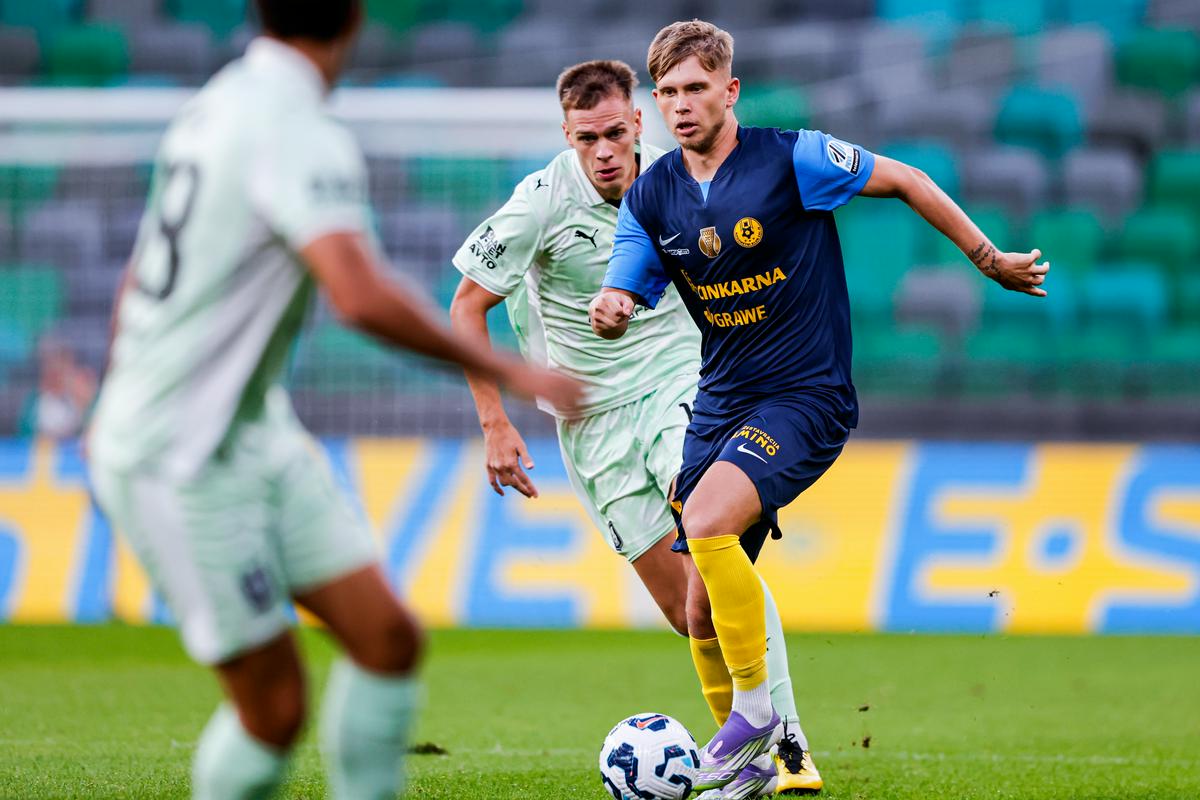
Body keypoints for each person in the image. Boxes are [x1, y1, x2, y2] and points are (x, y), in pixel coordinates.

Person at [86, 2, 581, 798]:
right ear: (352, 19)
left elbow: (138, 277)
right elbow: (358, 296)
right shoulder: (296, 129)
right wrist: (521, 376)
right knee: (275, 708)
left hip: (255, 430)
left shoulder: (215, 104)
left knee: (386, 639)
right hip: (176, 453)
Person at [591, 19, 1049, 798]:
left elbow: (906, 179)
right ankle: (749, 774)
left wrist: (987, 258)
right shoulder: (651, 193)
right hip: (721, 403)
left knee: (705, 525)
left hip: (806, 395)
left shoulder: (793, 158)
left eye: (695, 88)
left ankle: (759, 718)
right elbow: (625, 281)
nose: (680, 106)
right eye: (666, 93)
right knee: (698, 613)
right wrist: (610, 306)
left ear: (729, 90)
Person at [449, 60, 820, 794]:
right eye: (588, 139)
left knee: (714, 545)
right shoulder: (540, 203)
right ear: (568, 135)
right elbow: (465, 306)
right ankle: (747, 758)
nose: (605, 151)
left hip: (684, 385)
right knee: (692, 616)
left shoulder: (679, 184)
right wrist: (494, 423)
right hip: (590, 424)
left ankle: (787, 749)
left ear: (638, 123)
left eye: (617, 133)